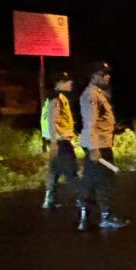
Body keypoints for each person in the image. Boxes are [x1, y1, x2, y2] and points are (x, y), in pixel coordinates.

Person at [77, 61, 128, 231]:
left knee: (91, 181)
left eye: (108, 73)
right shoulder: (92, 95)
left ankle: (84, 217)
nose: (107, 76)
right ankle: (105, 217)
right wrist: (93, 148)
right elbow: (90, 123)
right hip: (98, 145)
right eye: (103, 73)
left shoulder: (98, 93)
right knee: (104, 181)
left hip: (99, 143)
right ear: (93, 75)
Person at [41, 71, 78, 209]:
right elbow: (52, 121)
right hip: (60, 141)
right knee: (71, 171)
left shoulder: (57, 97)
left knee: (54, 170)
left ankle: (49, 200)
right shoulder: (56, 99)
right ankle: (81, 199)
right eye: (67, 81)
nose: (71, 83)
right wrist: (55, 143)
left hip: (57, 140)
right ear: (59, 83)